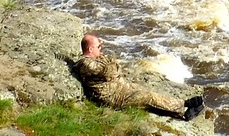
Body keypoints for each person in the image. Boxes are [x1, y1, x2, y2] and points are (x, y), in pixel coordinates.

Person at [71, 34, 205, 122]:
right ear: (89, 49)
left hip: (119, 89)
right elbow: (109, 71)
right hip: (113, 97)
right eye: (99, 47)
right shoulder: (86, 63)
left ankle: (179, 110)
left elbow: (112, 67)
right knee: (148, 98)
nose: (101, 49)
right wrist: (110, 64)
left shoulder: (96, 60)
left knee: (147, 95)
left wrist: (110, 64)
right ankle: (184, 107)